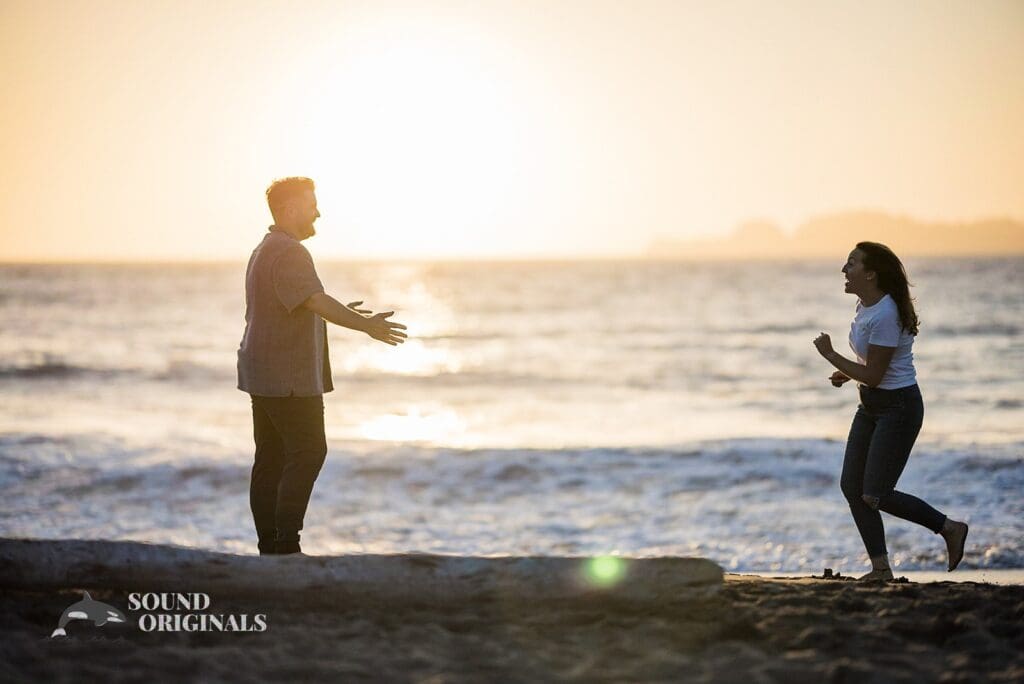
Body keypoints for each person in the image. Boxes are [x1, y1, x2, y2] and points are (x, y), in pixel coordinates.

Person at [237, 177, 407, 555]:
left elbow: (299, 302)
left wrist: (342, 311)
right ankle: (286, 545)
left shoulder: (264, 249)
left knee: (270, 457)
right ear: (291, 209)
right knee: (310, 451)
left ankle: (270, 546)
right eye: (312, 204)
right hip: (289, 378)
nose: (318, 212)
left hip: (262, 372)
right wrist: (366, 325)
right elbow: (314, 300)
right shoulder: (291, 251)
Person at [812, 241, 968, 581]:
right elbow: (871, 366)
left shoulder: (885, 314)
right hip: (870, 405)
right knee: (852, 487)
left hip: (898, 408)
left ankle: (950, 528)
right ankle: (881, 568)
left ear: (870, 273)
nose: (844, 269)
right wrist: (847, 370)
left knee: (876, 494)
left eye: (851, 264)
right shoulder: (865, 305)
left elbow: (875, 375)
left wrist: (830, 355)